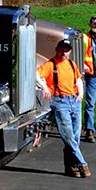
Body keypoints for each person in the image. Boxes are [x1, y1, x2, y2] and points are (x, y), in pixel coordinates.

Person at [37, 40, 89, 178]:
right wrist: (45, 87)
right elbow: (37, 75)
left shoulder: (72, 64)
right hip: (60, 102)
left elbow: (78, 80)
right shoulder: (50, 65)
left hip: (74, 100)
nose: (64, 53)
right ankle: (82, 163)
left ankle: (71, 167)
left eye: (66, 50)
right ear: (56, 49)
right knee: (68, 135)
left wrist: (81, 94)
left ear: (70, 51)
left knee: (75, 136)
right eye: (62, 49)